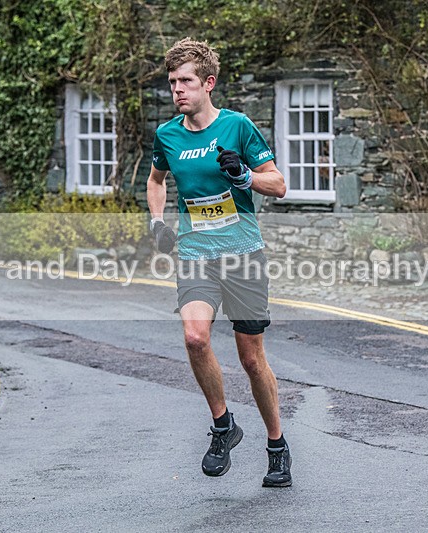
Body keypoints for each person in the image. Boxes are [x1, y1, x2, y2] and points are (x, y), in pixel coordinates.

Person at [146, 38, 291, 487]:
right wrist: (156, 221)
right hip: (195, 253)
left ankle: (276, 444)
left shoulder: (238, 127)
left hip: (243, 253)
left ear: (208, 83)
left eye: (186, 81)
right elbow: (156, 181)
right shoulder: (167, 135)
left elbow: (279, 184)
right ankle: (223, 426)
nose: (177, 91)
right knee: (194, 337)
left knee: (251, 359)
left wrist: (245, 176)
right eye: (172, 83)